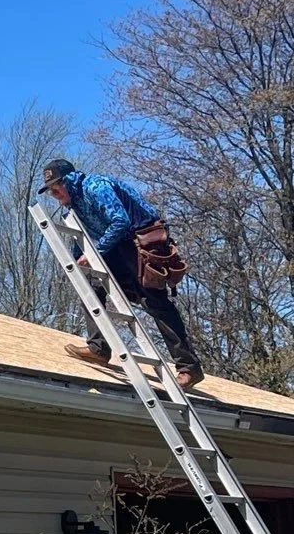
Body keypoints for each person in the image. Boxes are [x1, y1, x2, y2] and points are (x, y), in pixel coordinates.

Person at [37, 159, 204, 390]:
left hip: (140, 238)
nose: (54, 194)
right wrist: (78, 261)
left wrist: (97, 251)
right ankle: (99, 348)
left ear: (69, 181)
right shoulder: (74, 205)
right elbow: (83, 237)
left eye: (57, 187)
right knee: (90, 283)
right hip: (117, 244)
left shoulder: (95, 187)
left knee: (154, 301)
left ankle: (189, 368)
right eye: (50, 191)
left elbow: (120, 221)